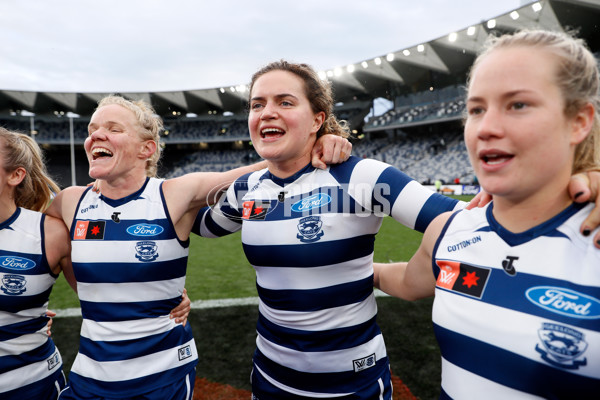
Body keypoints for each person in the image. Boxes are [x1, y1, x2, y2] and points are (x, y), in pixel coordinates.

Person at [192, 60, 472, 399]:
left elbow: (465, 221)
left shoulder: (361, 176)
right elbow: (197, 225)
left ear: (317, 120)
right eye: (257, 104)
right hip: (270, 379)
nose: (266, 112)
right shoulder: (245, 189)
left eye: (285, 102)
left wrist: (406, 274)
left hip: (355, 385)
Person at [44, 94, 350, 400]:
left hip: (162, 379)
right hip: (89, 376)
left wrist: (313, 146)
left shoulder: (174, 194)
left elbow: (257, 174)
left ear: (146, 148)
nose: (96, 135)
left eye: (113, 128)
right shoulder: (70, 202)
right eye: (92, 129)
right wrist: (36, 308)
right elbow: (38, 248)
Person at [374, 30, 600, 399]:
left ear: (579, 121)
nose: (487, 128)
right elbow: (404, 281)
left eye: (518, 105)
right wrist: (341, 270)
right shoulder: (449, 230)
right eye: (477, 109)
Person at [0, 128, 75, 399]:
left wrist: (165, 298)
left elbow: (103, 297)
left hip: (31, 387)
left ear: (16, 175)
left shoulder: (49, 234)